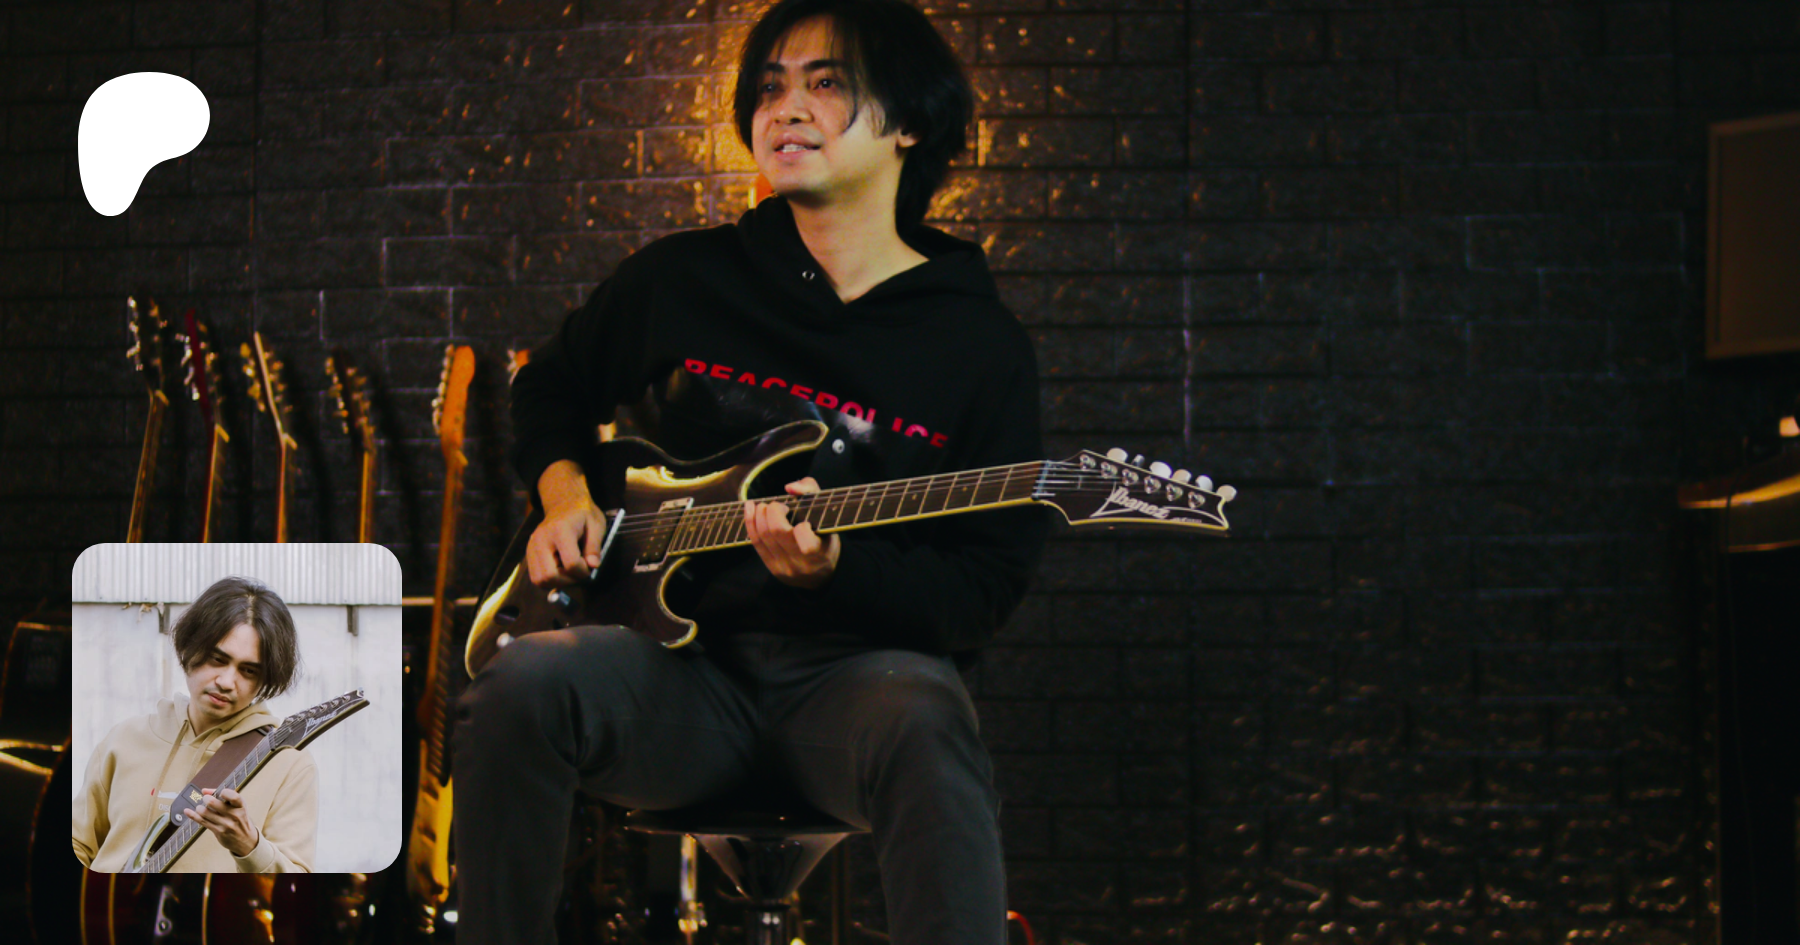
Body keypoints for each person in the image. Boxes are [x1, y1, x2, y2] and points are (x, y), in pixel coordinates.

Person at [452, 0, 1047, 941]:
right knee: (524, 680)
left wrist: (836, 570)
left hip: (854, 689)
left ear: (907, 122)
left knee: (927, 714)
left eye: (826, 83)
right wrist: (563, 498)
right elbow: (552, 385)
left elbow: (982, 591)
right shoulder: (685, 278)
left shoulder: (979, 344)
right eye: (770, 87)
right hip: (675, 682)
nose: (786, 108)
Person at [73, 575, 316, 873]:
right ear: (190, 647)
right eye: (217, 659)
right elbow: (80, 845)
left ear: (265, 679)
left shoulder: (288, 762)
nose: (226, 682)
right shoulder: (124, 739)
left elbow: (296, 880)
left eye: (248, 671)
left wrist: (250, 846)